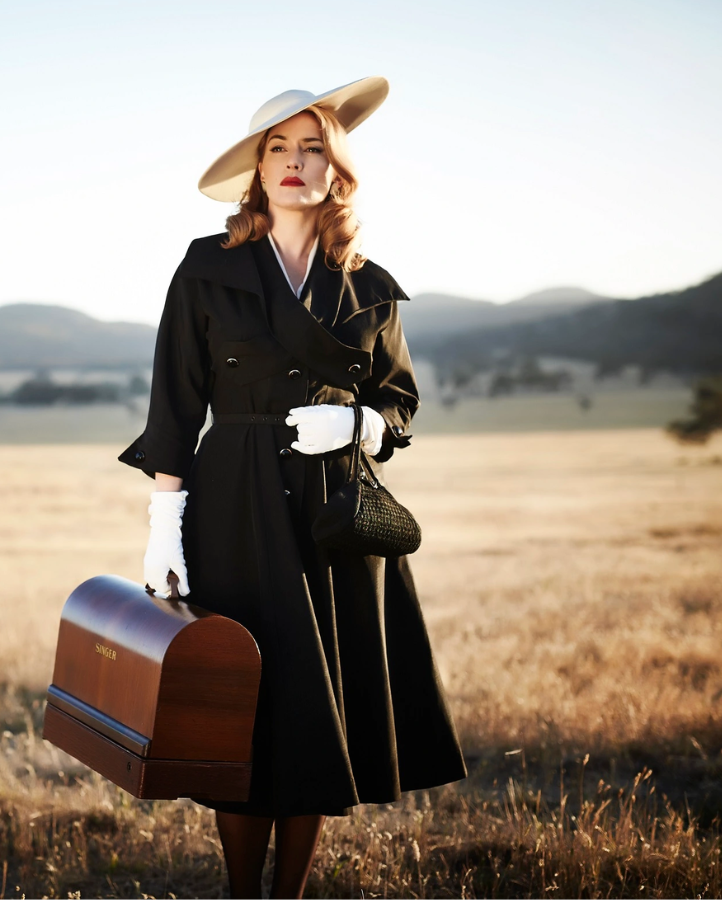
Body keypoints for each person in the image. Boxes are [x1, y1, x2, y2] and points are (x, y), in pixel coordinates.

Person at [119, 78, 467, 898]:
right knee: (244, 702)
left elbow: (400, 401)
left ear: (336, 169)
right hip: (234, 502)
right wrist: (164, 525)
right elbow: (175, 401)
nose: (294, 163)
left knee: (316, 707)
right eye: (278, 148)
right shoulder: (209, 267)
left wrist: (361, 428)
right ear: (257, 167)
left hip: (334, 511)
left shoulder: (369, 283)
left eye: (313, 148)